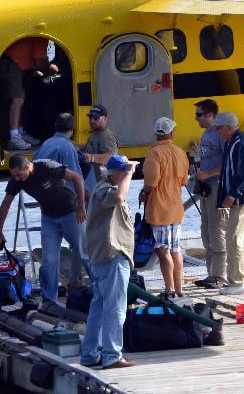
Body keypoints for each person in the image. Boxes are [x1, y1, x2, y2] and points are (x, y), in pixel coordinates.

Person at [0, 154, 86, 303]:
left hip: (71, 213)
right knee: (49, 260)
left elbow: (77, 178)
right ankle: (49, 302)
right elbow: (6, 203)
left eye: (18, 175)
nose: (16, 178)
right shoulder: (17, 180)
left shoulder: (47, 166)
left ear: (27, 167)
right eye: (14, 175)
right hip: (49, 218)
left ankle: (102, 291)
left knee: (84, 252)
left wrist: (81, 207)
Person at [81, 154, 138, 370]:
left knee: (99, 306)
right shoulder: (106, 190)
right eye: (124, 172)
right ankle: (112, 355)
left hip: (103, 257)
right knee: (115, 307)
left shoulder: (105, 188)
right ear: (116, 174)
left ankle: (90, 354)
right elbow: (119, 197)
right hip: (111, 257)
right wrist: (130, 173)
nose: (128, 175)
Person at [34, 112, 91, 290]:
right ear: (72, 129)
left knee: (50, 259)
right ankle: (102, 288)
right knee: (84, 251)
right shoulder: (67, 148)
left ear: (55, 127)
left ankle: (49, 298)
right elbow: (75, 179)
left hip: (48, 210)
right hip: (68, 209)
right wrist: (82, 205)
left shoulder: (46, 144)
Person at [139, 117, 189, 298]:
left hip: (159, 210)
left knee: (162, 250)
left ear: (156, 134)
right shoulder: (180, 152)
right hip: (176, 209)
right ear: (171, 133)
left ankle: (169, 290)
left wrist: (143, 192)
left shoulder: (154, 153)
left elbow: (151, 182)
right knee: (175, 249)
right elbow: (184, 180)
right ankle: (179, 289)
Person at [214, 112, 244, 295]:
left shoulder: (239, 144)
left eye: (219, 128)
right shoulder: (233, 142)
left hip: (242, 197)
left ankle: (237, 281)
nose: (218, 132)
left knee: (234, 237)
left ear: (228, 128)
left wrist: (232, 195)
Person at [0, 37, 58, 150]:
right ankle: (13, 137)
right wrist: (53, 68)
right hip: (12, 64)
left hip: (19, 66)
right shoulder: (42, 37)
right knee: (17, 100)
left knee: (21, 100)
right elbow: (39, 62)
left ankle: (20, 133)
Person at [192, 99, 226, 289]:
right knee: (206, 230)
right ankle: (211, 274)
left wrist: (208, 174)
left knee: (216, 231)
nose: (196, 118)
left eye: (199, 114)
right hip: (206, 188)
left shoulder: (219, 134)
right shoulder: (205, 134)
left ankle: (220, 276)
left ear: (210, 115)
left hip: (217, 187)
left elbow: (228, 163)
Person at [83, 104, 119, 185]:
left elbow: (111, 157)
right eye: (90, 117)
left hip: (106, 184)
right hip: (96, 183)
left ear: (105, 119)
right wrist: (72, 144)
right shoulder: (95, 133)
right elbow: (88, 148)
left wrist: (91, 157)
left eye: (96, 118)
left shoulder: (107, 137)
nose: (92, 121)